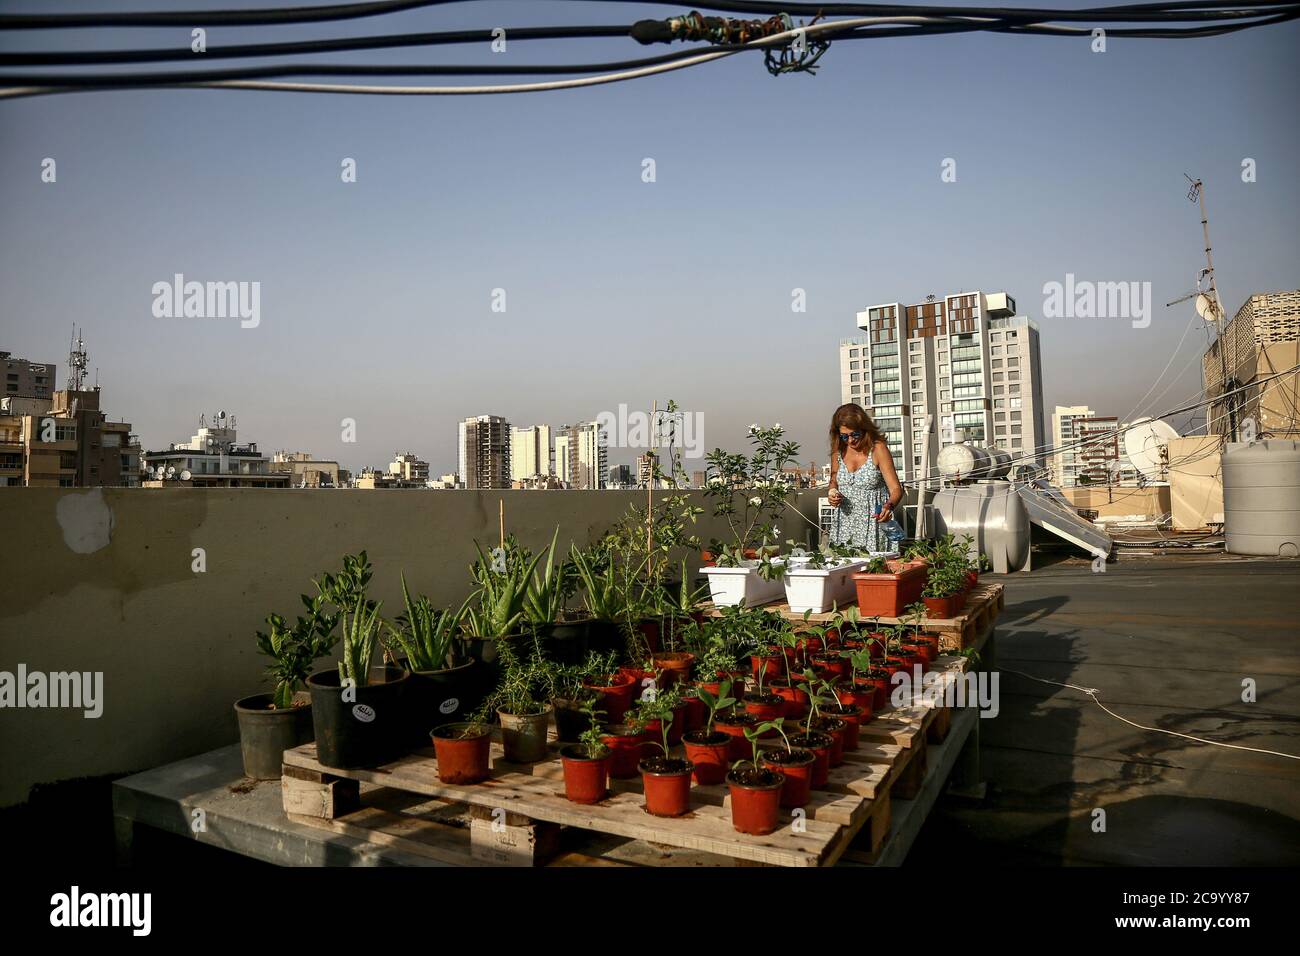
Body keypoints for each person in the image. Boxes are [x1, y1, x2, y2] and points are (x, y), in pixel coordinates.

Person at [827, 403, 904, 551]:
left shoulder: (877, 449)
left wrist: (888, 507)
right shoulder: (838, 452)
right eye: (844, 436)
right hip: (844, 527)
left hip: (875, 525)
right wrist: (832, 493)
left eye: (854, 434)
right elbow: (833, 482)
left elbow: (896, 489)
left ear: (864, 429)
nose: (850, 440)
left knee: (875, 571)